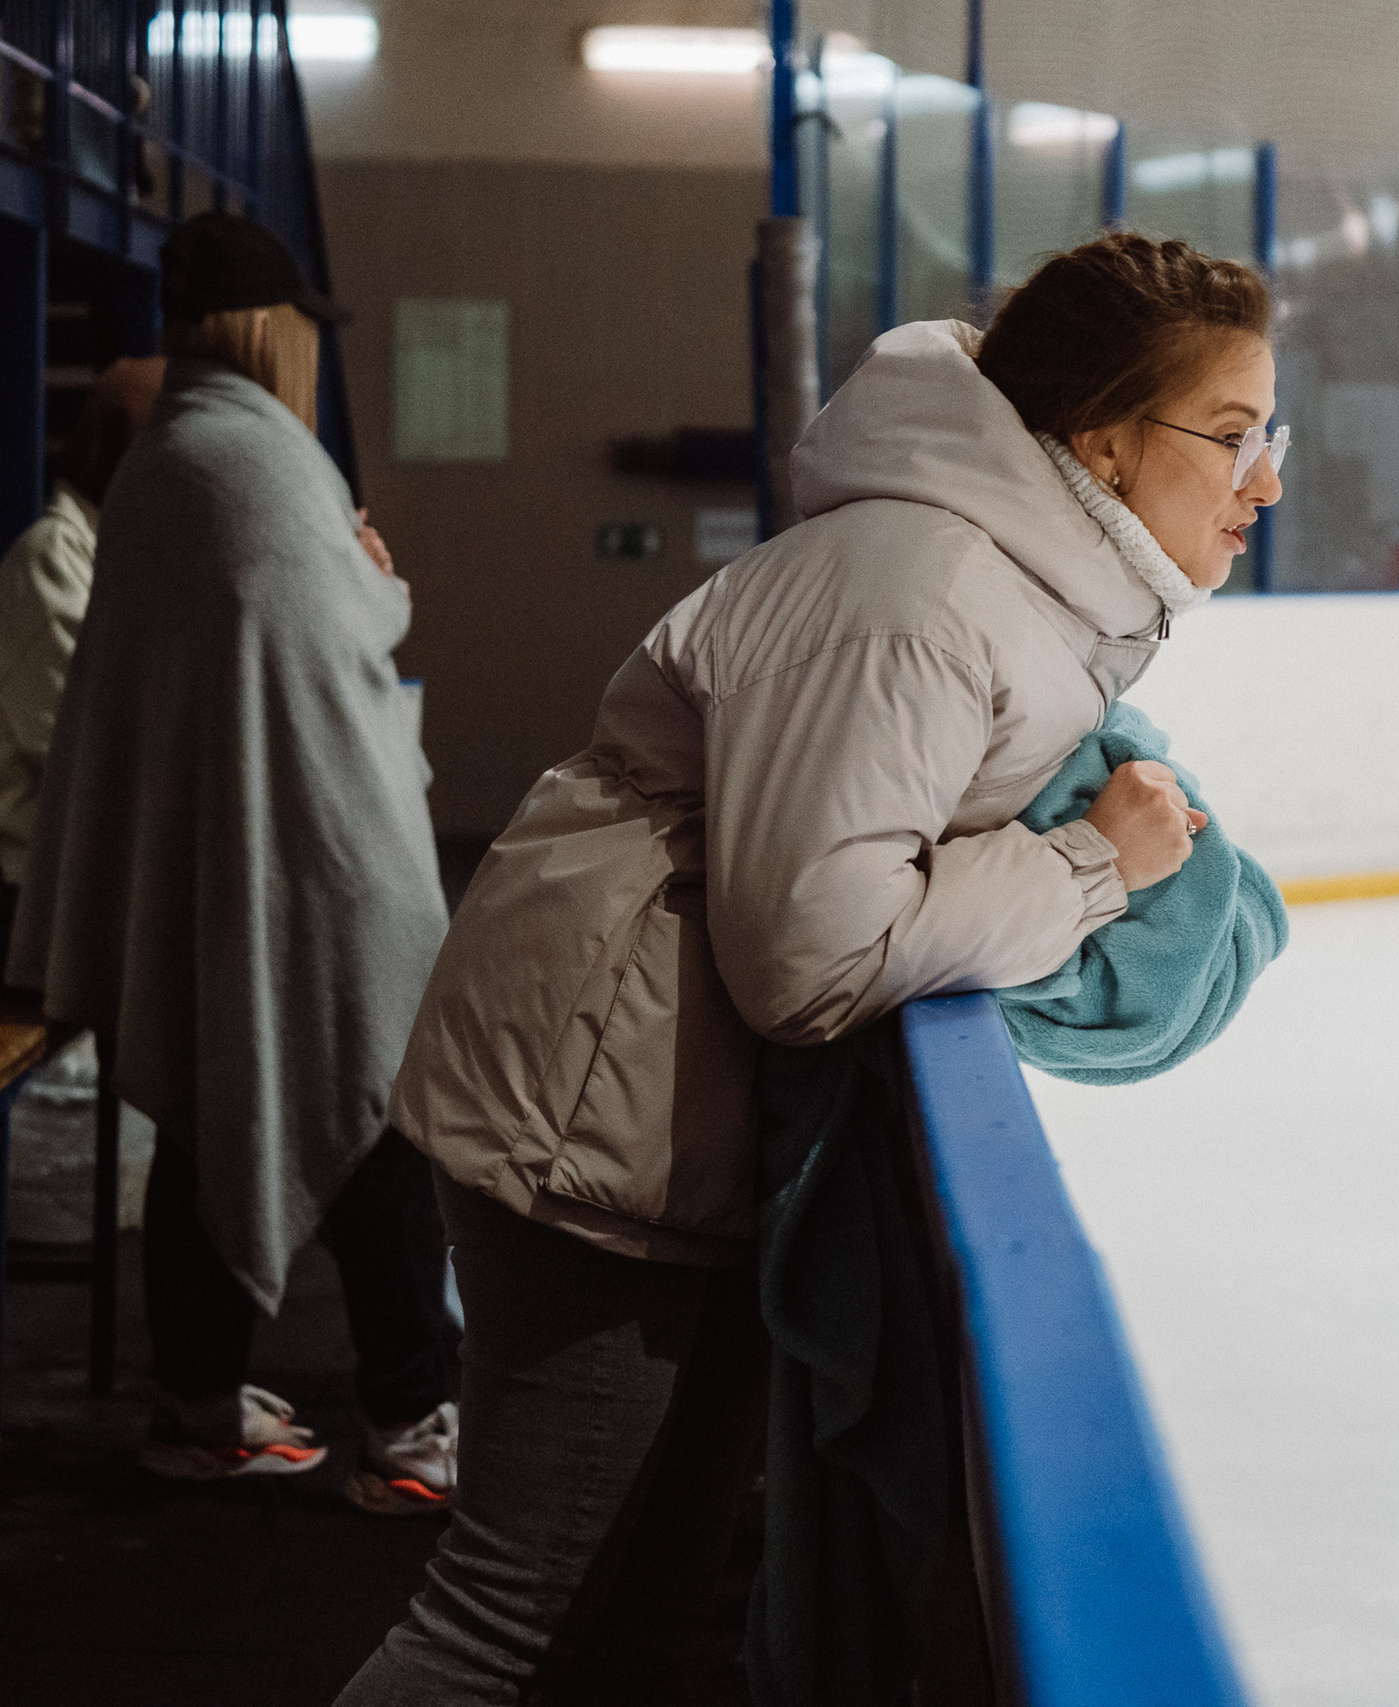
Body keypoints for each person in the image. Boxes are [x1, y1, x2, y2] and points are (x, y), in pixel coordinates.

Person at [337, 232, 1284, 1702]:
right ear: (1103, 438)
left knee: (643, 1617)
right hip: (592, 1117)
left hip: (655, 1107)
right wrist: (1096, 864)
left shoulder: (1007, 584)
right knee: (518, 1618)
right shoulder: (920, 592)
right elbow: (811, 953)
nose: (1264, 480)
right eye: (1231, 436)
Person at [4, 212, 458, 1516]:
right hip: (311, 865)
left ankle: (201, 1408)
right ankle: (414, 1420)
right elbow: (335, 631)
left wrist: (352, 580)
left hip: (229, 860)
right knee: (378, 1123)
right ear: (275, 329)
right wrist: (380, 578)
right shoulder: (249, 459)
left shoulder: (177, 455)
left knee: (214, 1109)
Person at [0, 356, 165, 957]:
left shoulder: (121, 551)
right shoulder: (52, 559)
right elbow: (102, 753)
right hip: (23, 900)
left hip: (78, 886)